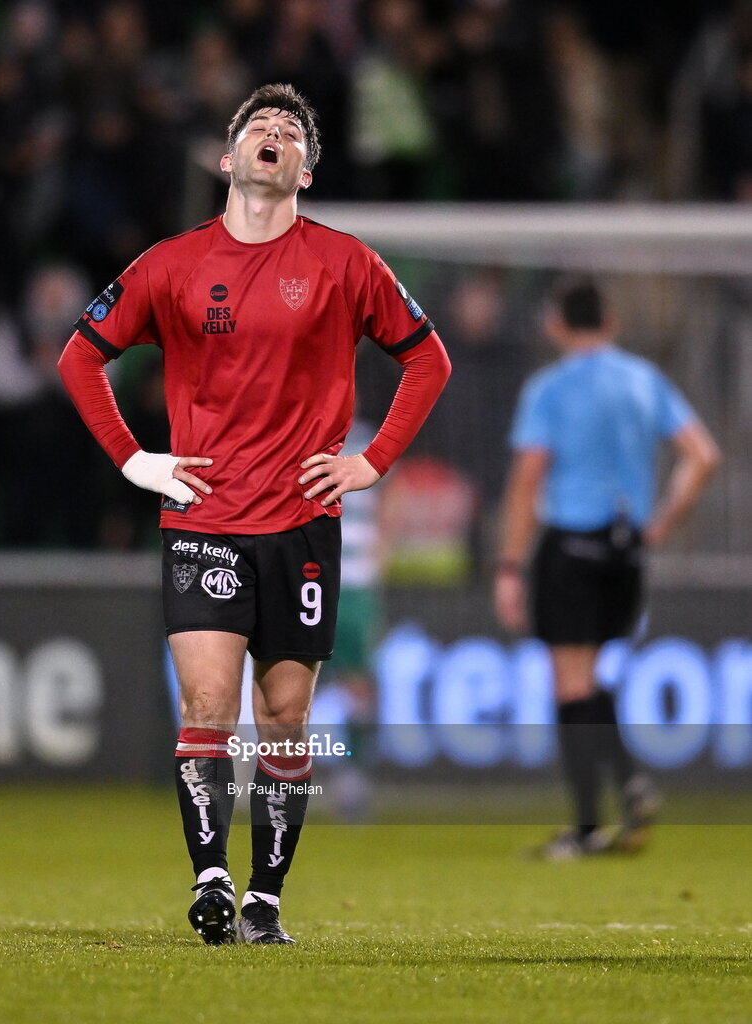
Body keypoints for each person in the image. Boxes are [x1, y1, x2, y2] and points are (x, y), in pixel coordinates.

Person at [59, 83, 450, 943]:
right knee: (206, 707)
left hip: (303, 522)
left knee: (283, 719)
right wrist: (136, 461)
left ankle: (265, 898)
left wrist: (371, 461)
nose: (274, 134)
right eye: (258, 127)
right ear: (228, 159)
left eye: (290, 132)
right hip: (202, 517)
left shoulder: (348, 264)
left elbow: (428, 362)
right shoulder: (169, 265)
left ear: (305, 170)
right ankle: (209, 882)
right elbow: (80, 359)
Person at [494, 276, 720, 860]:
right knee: (589, 680)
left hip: (571, 544)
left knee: (571, 685)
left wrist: (511, 564)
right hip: (627, 550)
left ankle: (593, 822)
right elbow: (702, 457)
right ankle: (627, 793)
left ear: (556, 325)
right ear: (611, 321)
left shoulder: (551, 388)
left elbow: (527, 479)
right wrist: (664, 520)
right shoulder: (645, 380)